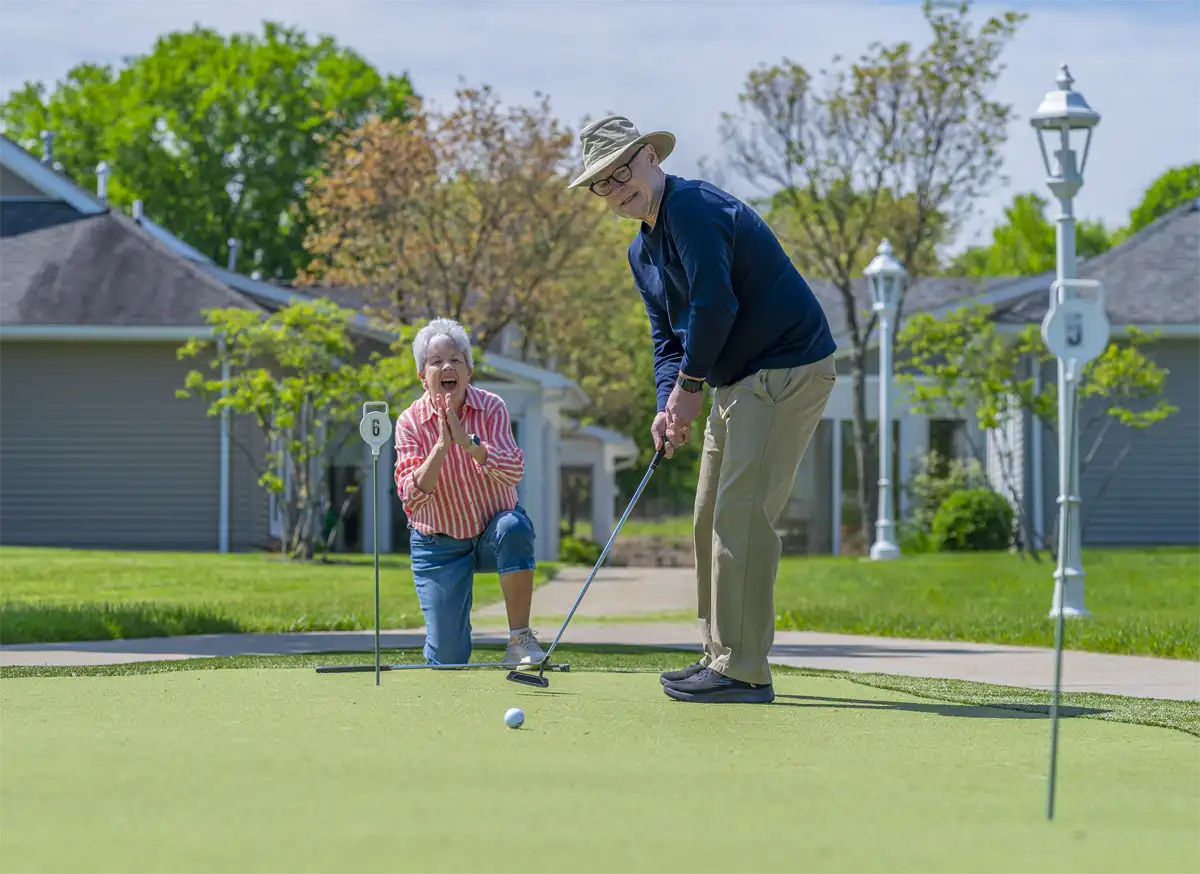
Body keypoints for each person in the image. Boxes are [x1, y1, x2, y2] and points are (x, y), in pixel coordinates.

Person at [568, 116, 838, 704]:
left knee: (741, 516)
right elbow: (667, 339)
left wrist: (689, 385)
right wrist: (673, 398)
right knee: (708, 514)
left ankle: (744, 669)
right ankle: (719, 653)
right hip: (735, 380)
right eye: (603, 183)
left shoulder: (690, 207)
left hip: (786, 366)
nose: (618, 188)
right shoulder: (641, 252)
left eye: (624, 171)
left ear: (649, 157)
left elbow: (716, 303)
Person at [393, 317, 546, 668]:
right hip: (438, 544)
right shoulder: (409, 423)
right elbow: (410, 498)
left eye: (456, 360)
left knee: (515, 527)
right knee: (449, 659)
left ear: (469, 370)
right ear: (422, 375)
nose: (447, 367)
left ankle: (520, 639)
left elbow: (513, 471)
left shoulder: (492, 407)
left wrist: (468, 443)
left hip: (493, 533)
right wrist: (442, 447)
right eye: (436, 362)